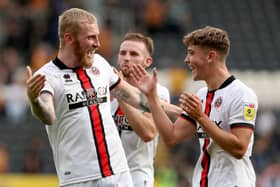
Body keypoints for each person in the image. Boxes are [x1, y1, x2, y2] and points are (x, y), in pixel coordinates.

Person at [25, 8, 181, 187]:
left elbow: (137, 98)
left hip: (118, 173)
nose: (97, 43)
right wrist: (34, 100)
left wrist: (182, 112)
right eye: (90, 37)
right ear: (69, 38)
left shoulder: (99, 63)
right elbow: (48, 115)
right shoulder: (47, 76)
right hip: (79, 178)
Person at [131, 26, 258, 187]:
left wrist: (201, 118)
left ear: (211, 56)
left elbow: (239, 148)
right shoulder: (201, 95)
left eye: (191, 53)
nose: (186, 59)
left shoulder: (242, 94)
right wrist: (152, 98)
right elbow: (171, 136)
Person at [111, 33, 170, 187]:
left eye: (134, 54)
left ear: (147, 61)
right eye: (122, 53)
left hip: (136, 177)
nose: (126, 58)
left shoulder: (158, 92)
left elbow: (148, 133)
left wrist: (120, 94)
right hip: (106, 176)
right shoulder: (105, 88)